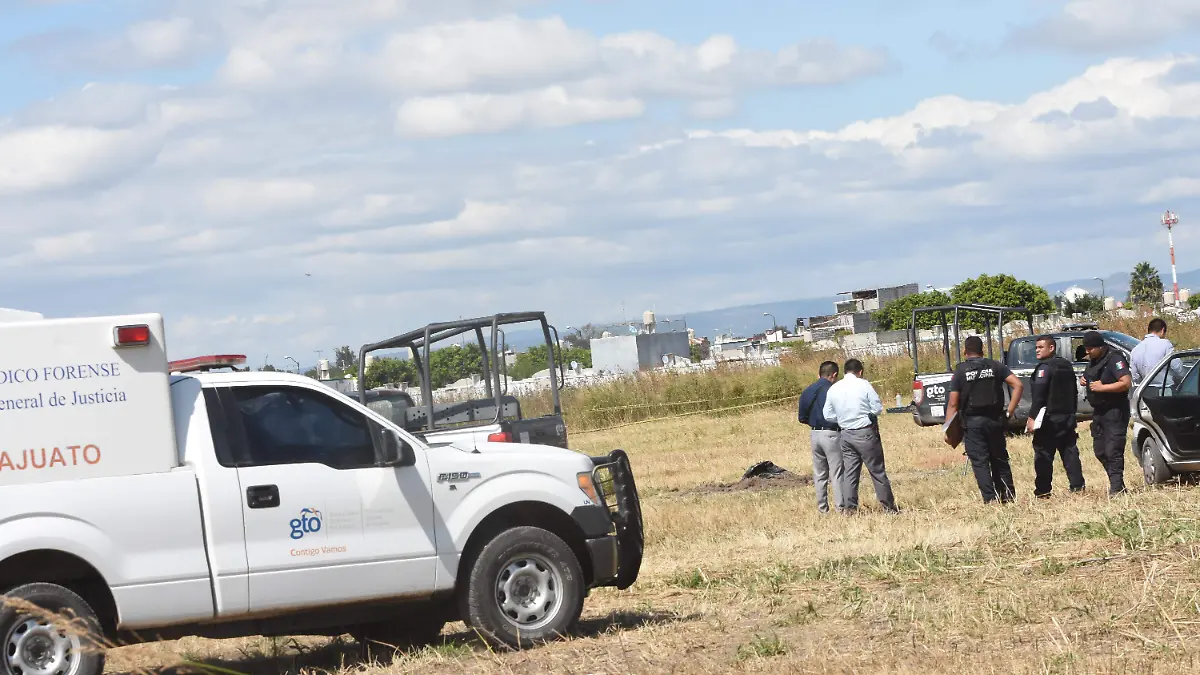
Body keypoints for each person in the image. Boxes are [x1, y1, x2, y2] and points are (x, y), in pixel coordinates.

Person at [944, 335, 1024, 504]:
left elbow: (953, 403)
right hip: (995, 420)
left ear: (965, 352)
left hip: (973, 423)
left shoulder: (960, 371)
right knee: (999, 459)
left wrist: (948, 429)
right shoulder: (996, 366)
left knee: (980, 462)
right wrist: (1010, 411)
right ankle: (1008, 496)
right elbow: (1018, 385)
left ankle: (990, 499)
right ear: (982, 350)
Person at [822, 358, 899, 514]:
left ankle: (850, 509)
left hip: (845, 434)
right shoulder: (863, 384)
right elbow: (877, 408)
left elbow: (827, 414)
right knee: (877, 472)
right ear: (860, 371)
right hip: (865, 432)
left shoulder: (834, 388)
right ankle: (889, 508)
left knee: (850, 473)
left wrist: (843, 419)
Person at [1025, 335, 1086, 497]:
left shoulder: (1045, 368)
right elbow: (1074, 392)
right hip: (1067, 416)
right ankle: (1078, 486)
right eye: (1036, 347)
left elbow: (1039, 396)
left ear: (1051, 348)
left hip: (1049, 419)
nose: (1037, 350)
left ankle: (1043, 491)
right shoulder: (1066, 365)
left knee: (1043, 454)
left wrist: (1032, 417)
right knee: (1070, 452)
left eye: (1040, 347)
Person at [1080, 330, 1132, 495]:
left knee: (1113, 450)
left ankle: (1116, 488)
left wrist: (1103, 388)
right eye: (1086, 348)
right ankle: (1118, 483)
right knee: (1100, 450)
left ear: (1100, 346)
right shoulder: (1095, 360)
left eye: (1090, 349)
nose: (1087, 352)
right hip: (1099, 411)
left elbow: (1126, 383)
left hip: (1115, 410)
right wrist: (1084, 380)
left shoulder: (1115, 358)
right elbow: (1091, 375)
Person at [798, 361, 844, 514]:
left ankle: (822, 509)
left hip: (814, 433)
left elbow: (802, 417)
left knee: (819, 474)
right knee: (837, 473)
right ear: (834, 375)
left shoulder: (807, 391)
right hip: (831, 433)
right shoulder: (834, 390)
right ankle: (840, 508)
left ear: (819, 374)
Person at [1130, 318, 1181, 385]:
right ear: (1163, 330)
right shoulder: (1165, 344)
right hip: (1165, 389)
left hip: (1145, 390)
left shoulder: (1135, 350)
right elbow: (1177, 367)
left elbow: (1135, 376)